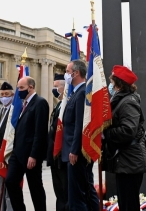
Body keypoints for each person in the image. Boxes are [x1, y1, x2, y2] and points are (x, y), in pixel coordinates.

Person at [103, 65, 146, 211]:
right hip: (126, 161)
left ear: (118, 84)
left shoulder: (128, 101)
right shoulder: (121, 100)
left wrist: (106, 134)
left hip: (130, 162)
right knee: (126, 203)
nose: (110, 85)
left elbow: (128, 130)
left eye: (112, 82)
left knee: (129, 204)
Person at [5, 76, 49, 211]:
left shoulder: (40, 102)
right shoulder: (23, 104)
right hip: (17, 153)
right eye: (18, 88)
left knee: (35, 188)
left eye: (22, 88)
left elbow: (40, 131)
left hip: (30, 155)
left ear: (31, 87)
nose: (19, 91)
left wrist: (34, 155)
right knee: (10, 182)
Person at [62, 59, 100, 211]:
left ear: (76, 73)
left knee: (78, 196)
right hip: (76, 151)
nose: (66, 75)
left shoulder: (82, 92)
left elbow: (80, 125)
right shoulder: (76, 93)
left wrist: (74, 150)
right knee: (86, 191)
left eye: (67, 71)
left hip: (77, 153)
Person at [0, 81, 15, 210]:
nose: (4, 97)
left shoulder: (15, 111)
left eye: (6, 94)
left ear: (12, 95)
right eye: (2, 94)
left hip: (8, 157)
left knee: (9, 192)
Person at [47, 74, 68, 211]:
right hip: (55, 157)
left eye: (56, 87)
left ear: (64, 87)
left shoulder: (66, 104)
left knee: (65, 194)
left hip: (62, 156)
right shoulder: (59, 105)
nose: (54, 90)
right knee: (59, 193)